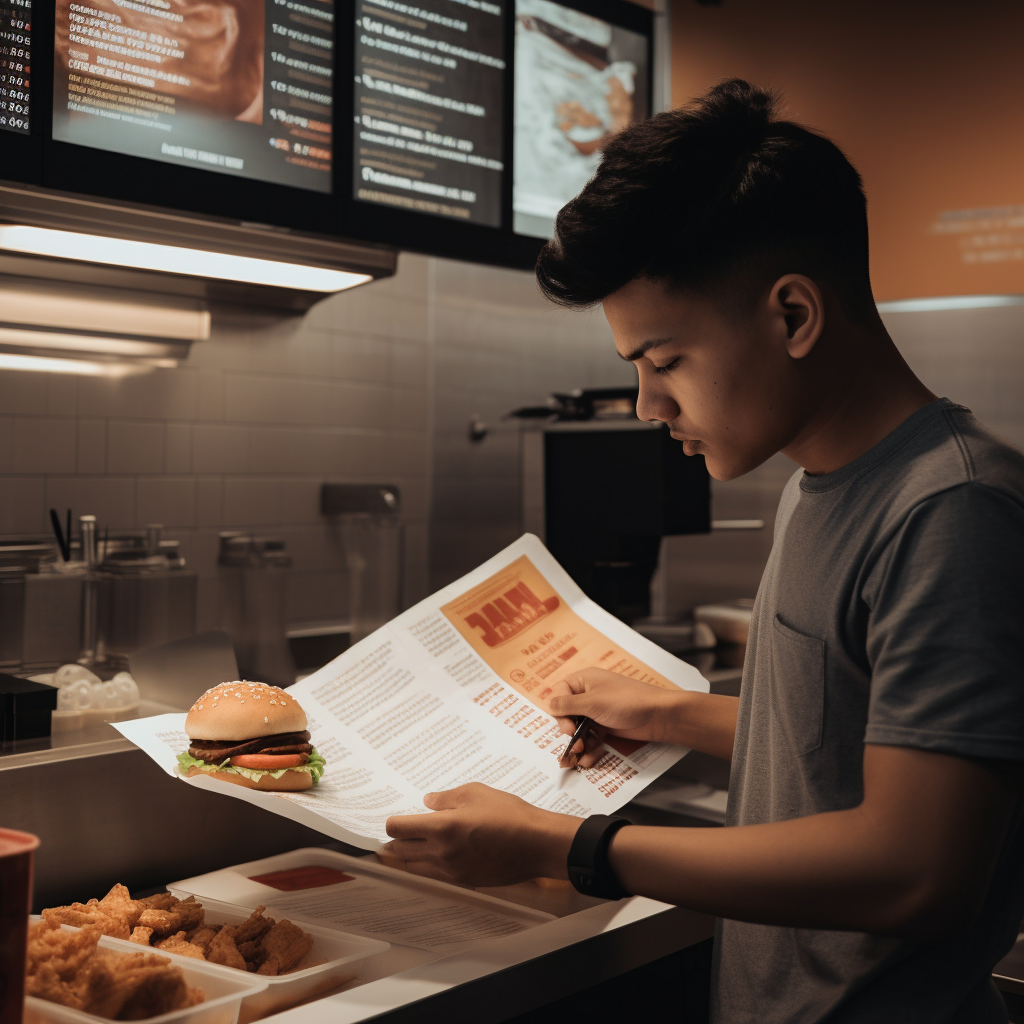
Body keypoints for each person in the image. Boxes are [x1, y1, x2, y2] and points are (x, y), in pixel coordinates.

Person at [383, 80, 1024, 1022]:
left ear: (794, 315)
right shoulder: (819, 486)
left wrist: (570, 845)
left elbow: (915, 872)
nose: (648, 407)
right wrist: (677, 715)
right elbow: (857, 734)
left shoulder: (954, 510)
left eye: (664, 361)